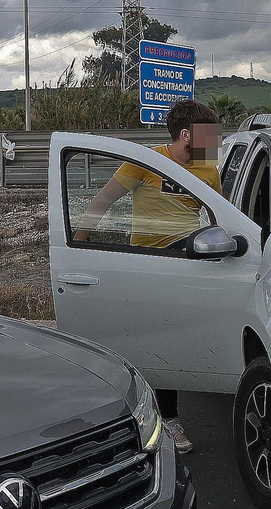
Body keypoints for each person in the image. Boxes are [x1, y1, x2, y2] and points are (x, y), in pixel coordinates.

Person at [72, 98, 222, 454]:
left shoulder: (208, 170)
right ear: (186, 135)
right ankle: (166, 417)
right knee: (160, 341)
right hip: (150, 262)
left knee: (184, 337)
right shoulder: (147, 162)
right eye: (208, 135)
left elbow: (220, 216)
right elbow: (103, 200)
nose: (214, 142)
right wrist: (77, 242)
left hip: (190, 257)